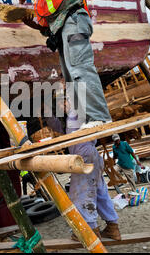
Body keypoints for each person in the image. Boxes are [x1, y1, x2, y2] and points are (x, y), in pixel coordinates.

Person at [19, 0, 112, 129]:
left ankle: (100, 117)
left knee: (81, 68)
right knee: (70, 77)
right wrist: (30, 23)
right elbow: (47, 29)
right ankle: (88, 119)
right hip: (62, 32)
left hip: (74, 21)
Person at [45, 98, 121, 241]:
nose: (63, 105)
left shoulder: (78, 113)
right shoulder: (75, 118)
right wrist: (49, 114)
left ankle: (91, 230)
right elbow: (61, 129)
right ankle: (113, 227)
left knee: (82, 193)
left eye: (65, 102)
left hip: (84, 157)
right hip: (92, 156)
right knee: (100, 191)